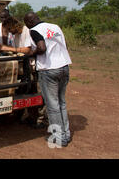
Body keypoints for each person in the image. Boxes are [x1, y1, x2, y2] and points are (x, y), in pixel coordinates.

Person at [24, 12, 72, 147]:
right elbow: (64, 44)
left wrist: (32, 54)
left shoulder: (34, 31)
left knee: (52, 105)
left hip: (49, 69)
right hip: (64, 66)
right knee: (61, 102)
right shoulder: (55, 27)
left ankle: (58, 137)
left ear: (29, 22)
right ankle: (65, 134)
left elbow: (41, 48)